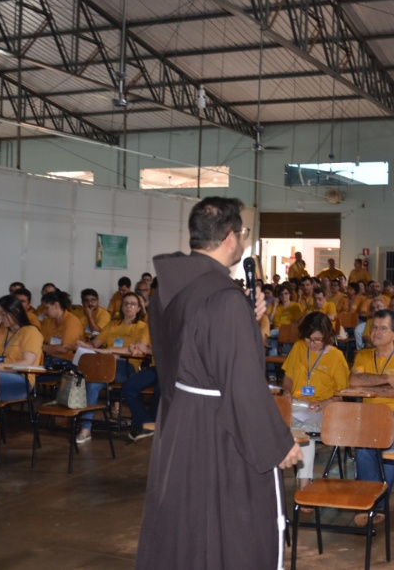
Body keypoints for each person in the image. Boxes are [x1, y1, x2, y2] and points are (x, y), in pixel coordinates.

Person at [136, 197, 300, 570]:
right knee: (231, 524)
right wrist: (278, 444)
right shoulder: (223, 300)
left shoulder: (170, 291)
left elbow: (189, 347)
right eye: (242, 233)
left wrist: (245, 316)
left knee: (187, 520)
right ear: (230, 238)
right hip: (219, 426)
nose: (242, 241)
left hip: (180, 421)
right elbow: (241, 381)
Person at [348, 309, 394, 526]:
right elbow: (353, 381)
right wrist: (387, 379)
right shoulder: (363, 355)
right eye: (374, 327)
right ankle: (375, 502)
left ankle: (374, 504)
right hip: (371, 415)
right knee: (364, 444)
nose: (376, 332)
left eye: (383, 328)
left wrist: (369, 386)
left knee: (385, 443)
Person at [280, 312, 349, 499]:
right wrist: (287, 392)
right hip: (296, 404)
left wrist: (327, 402)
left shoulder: (336, 357)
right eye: (308, 339)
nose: (311, 344)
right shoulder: (298, 348)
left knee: (305, 432)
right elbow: (288, 378)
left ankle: (304, 485)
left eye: (317, 340)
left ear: (327, 337)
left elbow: (343, 393)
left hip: (322, 407)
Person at [75, 292, 150, 443]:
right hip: (105, 363)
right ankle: (85, 428)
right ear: (121, 307)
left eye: (133, 304)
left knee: (97, 375)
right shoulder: (113, 324)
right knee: (92, 383)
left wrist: (110, 351)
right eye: (126, 304)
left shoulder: (142, 327)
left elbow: (136, 349)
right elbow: (96, 344)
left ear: (138, 308)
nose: (129, 307)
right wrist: (85, 345)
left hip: (126, 366)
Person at [0, 295, 44, 429]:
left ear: (16, 311)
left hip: (21, 380)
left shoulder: (31, 332)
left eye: (3, 314)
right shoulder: (1, 332)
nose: (0, 318)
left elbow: (27, 363)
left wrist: (0, 367)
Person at [40, 291, 85, 364]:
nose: (44, 312)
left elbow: (63, 349)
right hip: (50, 359)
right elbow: (41, 340)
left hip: (68, 362)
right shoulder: (48, 321)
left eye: (46, 308)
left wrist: (41, 347)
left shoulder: (72, 321)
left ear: (56, 305)